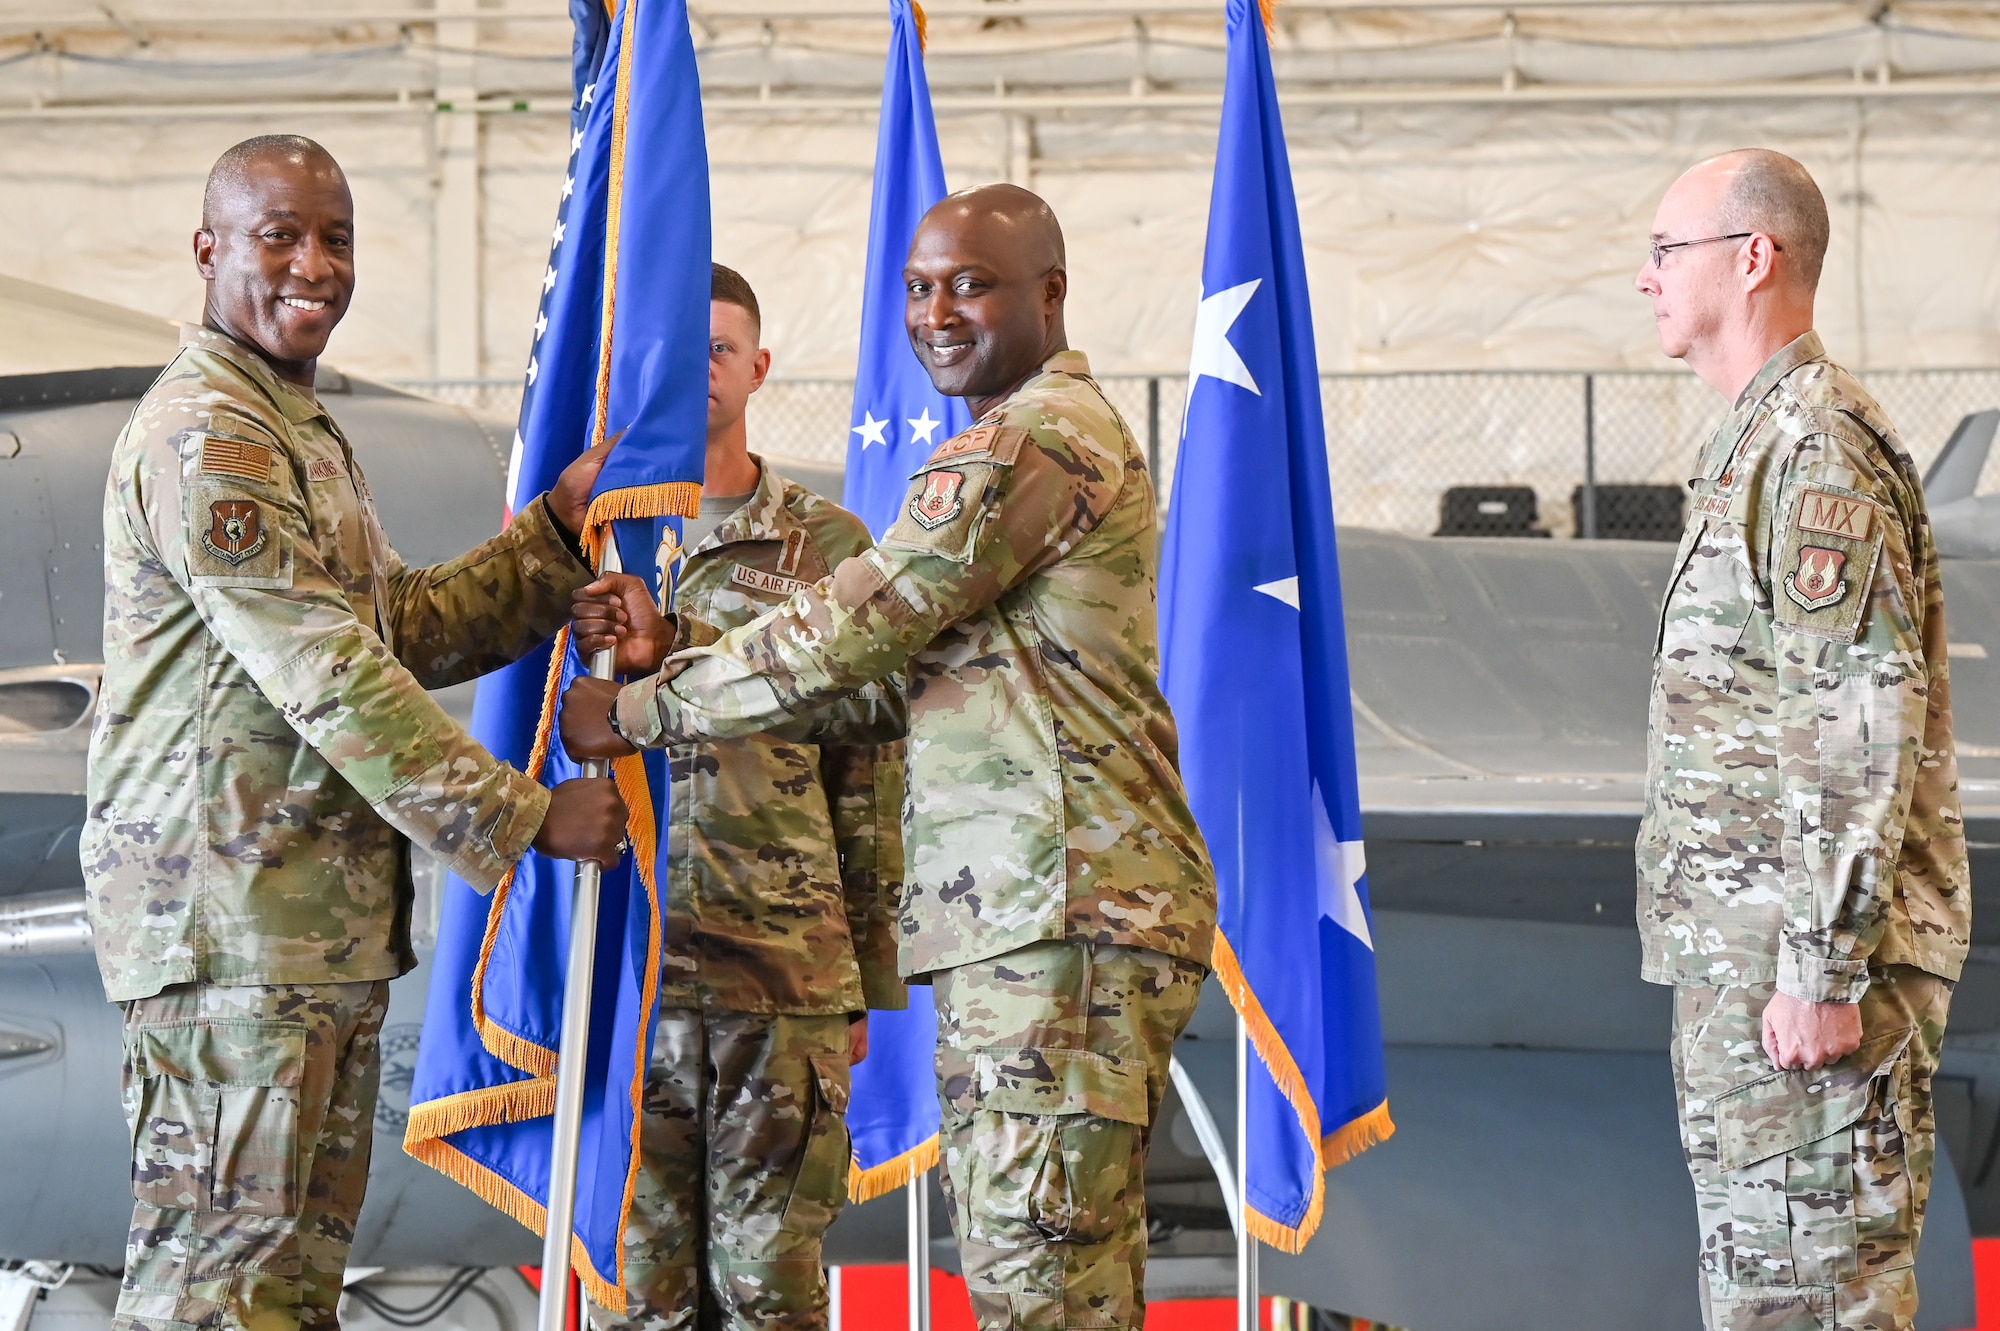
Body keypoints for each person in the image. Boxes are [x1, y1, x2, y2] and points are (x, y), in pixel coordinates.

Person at [563, 185, 1216, 1331]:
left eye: (970, 282)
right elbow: (886, 687)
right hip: (1047, 917)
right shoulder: (1042, 434)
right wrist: (688, 650)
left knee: (1035, 1291)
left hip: (1057, 917)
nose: (935, 312)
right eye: (916, 288)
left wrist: (649, 706)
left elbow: (859, 622)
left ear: (1049, 293)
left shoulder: (1025, 440)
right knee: (1058, 1280)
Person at [84, 135, 627, 1331]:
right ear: (209, 249)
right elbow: (324, 671)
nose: (314, 265)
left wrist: (551, 536)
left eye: (335, 238)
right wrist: (523, 816)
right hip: (231, 932)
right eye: (280, 235)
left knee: (278, 1293)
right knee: (219, 1297)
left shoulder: (291, 424)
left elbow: (397, 629)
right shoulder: (210, 435)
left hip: (301, 933)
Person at [1635, 148, 1968, 1331]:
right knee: (1768, 1297)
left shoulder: (1814, 450)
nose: (1645, 277)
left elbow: (1854, 722)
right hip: (1747, 979)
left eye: (1666, 250)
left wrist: (1820, 970)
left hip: (1814, 993)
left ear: (1753, 257)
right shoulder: (1752, 444)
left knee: (1816, 1300)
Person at [566, 263, 907, 1331]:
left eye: (721, 349)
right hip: (628, 973)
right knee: (639, 1293)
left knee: (769, 1288)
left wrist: (865, 975)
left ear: (757, 367)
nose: (702, 370)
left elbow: (872, 745)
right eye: (682, 349)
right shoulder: (589, 536)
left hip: (781, 967)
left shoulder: (826, 545)